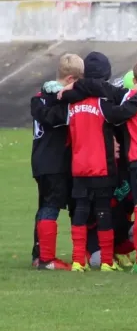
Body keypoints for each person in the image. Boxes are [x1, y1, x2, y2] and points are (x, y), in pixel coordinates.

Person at [56, 63, 137, 272]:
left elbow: (50, 115)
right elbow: (124, 112)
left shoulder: (71, 106)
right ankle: (107, 261)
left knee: (80, 212)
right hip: (101, 167)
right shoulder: (102, 104)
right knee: (103, 212)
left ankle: (78, 260)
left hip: (79, 167)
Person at [30, 54, 83, 270]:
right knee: (52, 206)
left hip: (41, 162)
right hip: (56, 162)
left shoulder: (38, 96)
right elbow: (53, 117)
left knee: (45, 205)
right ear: (70, 79)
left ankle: (38, 255)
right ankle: (47, 259)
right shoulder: (62, 102)